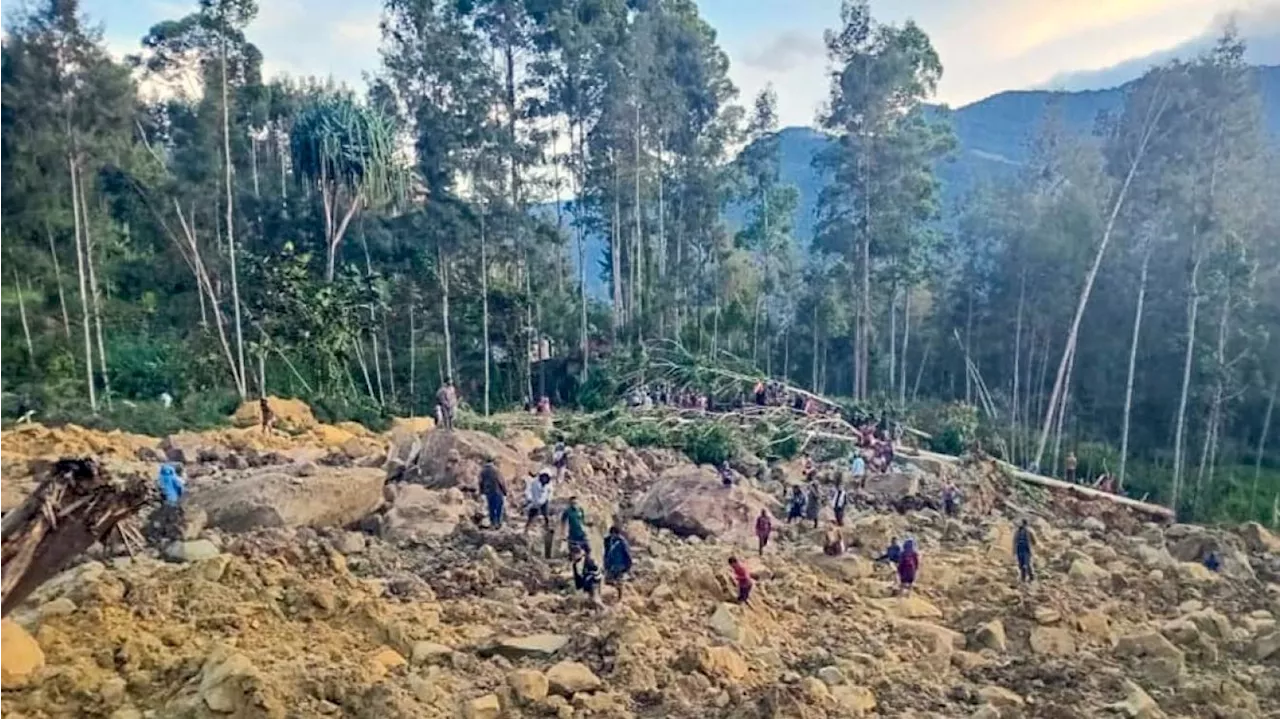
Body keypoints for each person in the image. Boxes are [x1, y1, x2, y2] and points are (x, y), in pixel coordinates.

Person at [603, 526, 632, 600]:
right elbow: (606, 553)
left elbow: (627, 553)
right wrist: (605, 563)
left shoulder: (622, 542)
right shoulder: (607, 540)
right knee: (608, 581)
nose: (613, 535)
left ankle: (619, 598)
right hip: (610, 565)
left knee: (619, 582)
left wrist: (628, 565)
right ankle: (611, 597)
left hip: (619, 565)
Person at [479, 459, 508, 529]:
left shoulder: (482, 471)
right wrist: (505, 491)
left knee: (491, 507)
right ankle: (498, 523)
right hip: (497, 491)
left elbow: (480, 482)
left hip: (488, 492)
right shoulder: (496, 470)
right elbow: (501, 481)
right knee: (498, 507)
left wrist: (482, 491)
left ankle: (492, 523)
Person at [1014, 518, 1036, 583]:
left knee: (1028, 564)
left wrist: (1030, 546)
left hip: (1027, 550)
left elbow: (1034, 541)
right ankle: (1023, 578)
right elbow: (1015, 541)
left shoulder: (1030, 531)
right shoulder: (1017, 531)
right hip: (1019, 549)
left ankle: (1031, 578)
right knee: (1021, 564)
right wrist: (1014, 551)